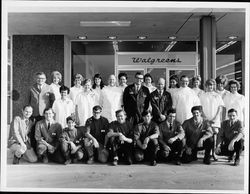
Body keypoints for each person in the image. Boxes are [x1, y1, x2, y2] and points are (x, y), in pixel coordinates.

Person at [28, 72, 55, 152]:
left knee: (45, 132)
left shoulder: (49, 87)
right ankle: (34, 150)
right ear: (36, 79)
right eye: (39, 78)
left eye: (42, 78)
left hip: (45, 114)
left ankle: (44, 152)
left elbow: (53, 100)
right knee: (33, 133)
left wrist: (50, 112)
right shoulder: (31, 88)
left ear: (45, 79)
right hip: (34, 114)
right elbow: (28, 101)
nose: (40, 80)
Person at [199, 79, 224, 161]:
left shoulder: (217, 95)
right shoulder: (202, 95)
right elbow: (200, 108)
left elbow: (220, 108)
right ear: (206, 86)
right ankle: (207, 153)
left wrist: (215, 118)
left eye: (212, 85)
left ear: (214, 86)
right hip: (205, 119)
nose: (210, 87)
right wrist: (205, 118)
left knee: (215, 136)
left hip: (215, 119)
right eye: (209, 85)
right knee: (207, 135)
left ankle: (213, 153)